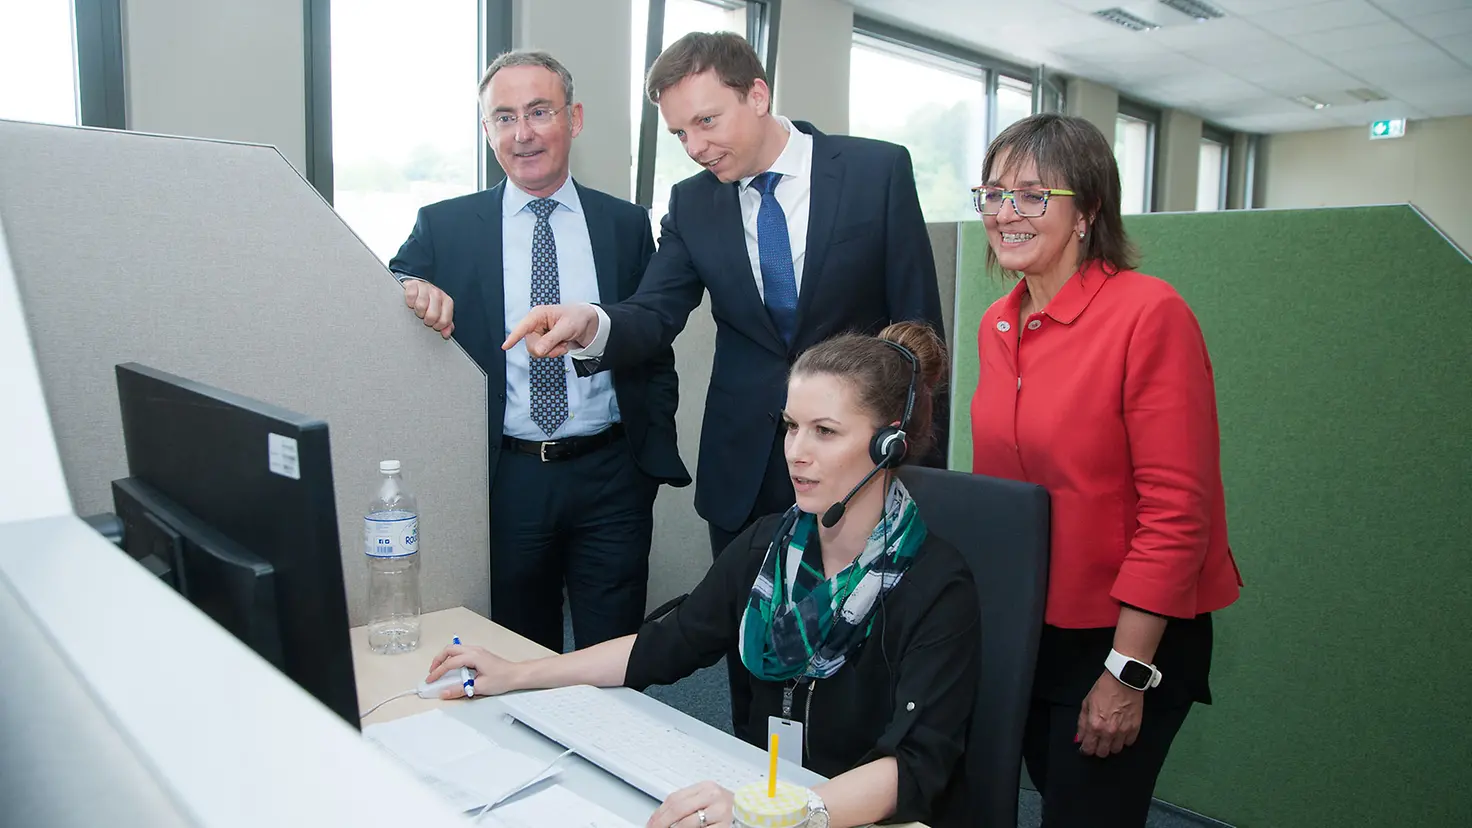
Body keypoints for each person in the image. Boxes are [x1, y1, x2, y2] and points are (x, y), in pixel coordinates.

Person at [503, 31, 945, 739]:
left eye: (706, 121)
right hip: (747, 470)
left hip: (863, 465)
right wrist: (589, 321)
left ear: (758, 94)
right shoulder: (693, 202)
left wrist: (925, 474)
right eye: (679, 131)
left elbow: (921, 335)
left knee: (866, 660)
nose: (695, 146)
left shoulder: (873, 172)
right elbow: (652, 313)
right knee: (754, 658)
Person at [426, 322, 977, 828]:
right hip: (762, 794)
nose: (795, 452)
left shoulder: (935, 586)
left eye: (825, 432)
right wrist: (517, 673)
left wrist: (784, 813)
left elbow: (912, 765)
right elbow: (669, 642)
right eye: (790, 427)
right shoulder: (769, 547)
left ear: (889, 446)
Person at [967, 113, 1243, 827]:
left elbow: (1179, 512)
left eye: (1032, 195)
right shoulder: (999, 322)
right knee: (1048, 793)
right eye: (993, 194)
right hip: (1033, 623)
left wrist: (1127, 671)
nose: (1006, 214)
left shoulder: (1148, 314)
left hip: (1127, 633)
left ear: (1087, 209)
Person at [388, 51, 689, 654]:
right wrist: (408, 289)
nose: (522, 133)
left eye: (539, 111)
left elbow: (650, 334)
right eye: (503, 117)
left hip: (611, 475)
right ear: (486, 131)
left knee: (614, 652)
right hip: (506, 477)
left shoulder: (626, 225)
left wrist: (642, 460)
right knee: (516, 651)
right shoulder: (445, 227)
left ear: (573, 118)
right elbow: (386, 288)